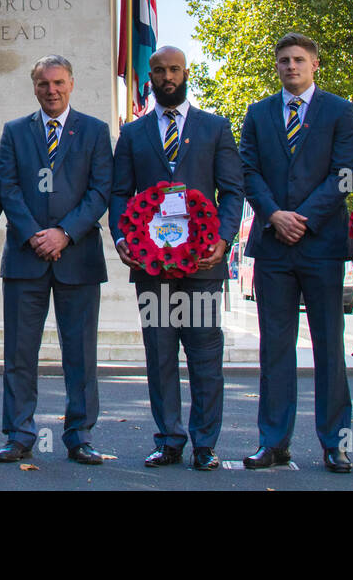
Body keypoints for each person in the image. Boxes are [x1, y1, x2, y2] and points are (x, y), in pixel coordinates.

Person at [110, 46, 243, 471]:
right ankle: (169, 440)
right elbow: (118, 194)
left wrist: (223, 238)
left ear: (186, 73)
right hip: (152, 270)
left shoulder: (215, 127)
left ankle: (205, 444)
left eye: (174, 70)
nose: (167, 77)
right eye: (159, 71)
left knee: (204, 356)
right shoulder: (132, 134)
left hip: (203, 267)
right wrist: (120, 237)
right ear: (149, 76)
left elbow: (232, 191)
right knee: (161, 355)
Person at [238, 33, 353, 473]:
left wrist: (302, 217)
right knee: (275, 349)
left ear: (315, 65)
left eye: (298, 60)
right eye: (284, 60)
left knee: (329, 346)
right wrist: (274, 215)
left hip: (322, 245)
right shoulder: (258, 113)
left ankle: (335, 442)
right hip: (273, 247)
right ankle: (274, 442)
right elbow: (246, 171)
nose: (291, 67)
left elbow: (345, 174)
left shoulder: (339, 111)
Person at [0, 56, 112, 465]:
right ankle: (18, 434)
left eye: (58, 82)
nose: (51, 90)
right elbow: (6, 188)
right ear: (34, 87)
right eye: (43, 84)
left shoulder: (96, 131)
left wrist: (64, 232)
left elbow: (100, 191)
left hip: (78, 258)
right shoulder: (14, 132)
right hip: (26, 259)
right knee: (20, 354)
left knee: (80, 356)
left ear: (72, 84)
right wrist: (34, 234)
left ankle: (79, 436)